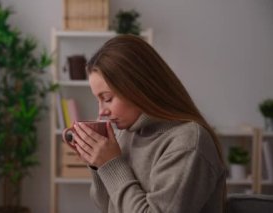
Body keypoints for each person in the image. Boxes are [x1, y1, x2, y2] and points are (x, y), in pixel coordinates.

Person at [70, 34, 226, 213]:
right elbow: (107, 206)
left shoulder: (188, 143)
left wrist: (111, 164)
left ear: (138, 88)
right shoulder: (126, 134)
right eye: (98, 100)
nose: (101, 112)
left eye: (107, 98)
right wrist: (98, 165)